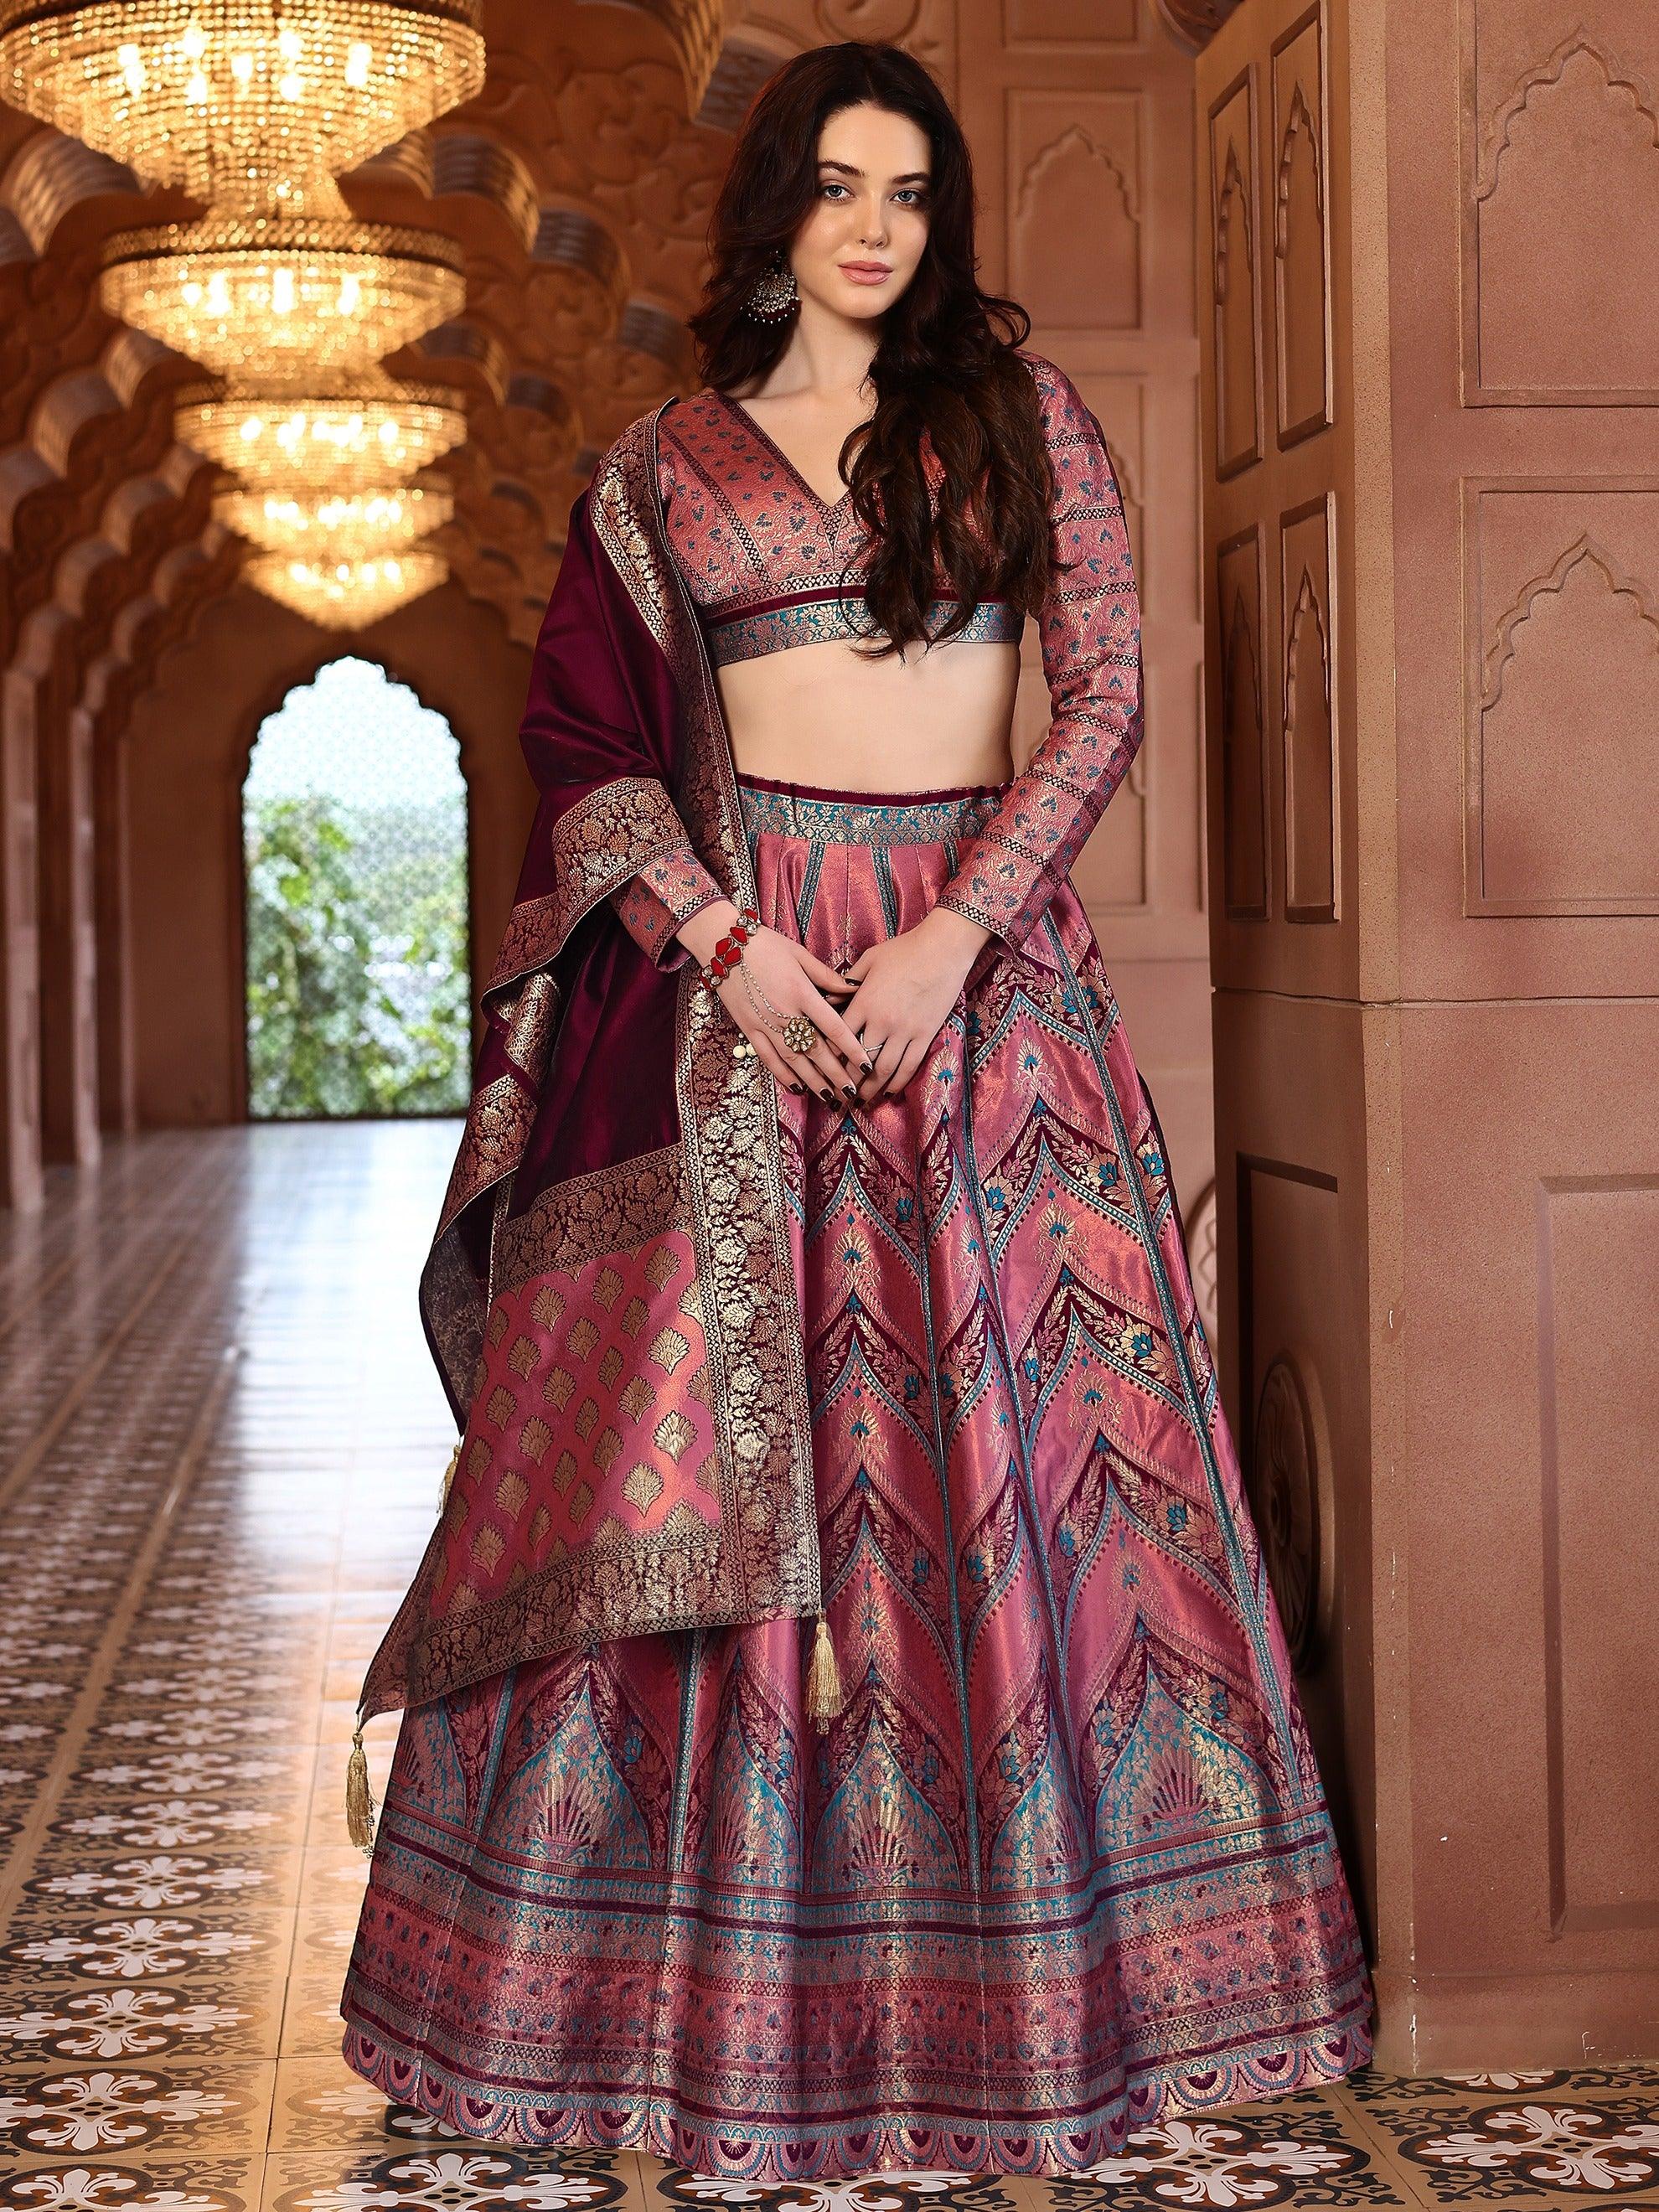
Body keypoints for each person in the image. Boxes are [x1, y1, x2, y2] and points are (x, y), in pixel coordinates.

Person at [337, 37, 1374, 2182]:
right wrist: (727, 945)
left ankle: (1069, 2001)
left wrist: (955, 930)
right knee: (738, 1478)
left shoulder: (1017, 421)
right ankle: (667, 2015)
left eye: (911, 189)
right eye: (838, 186)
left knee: (1018, 1470)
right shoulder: (659, 468)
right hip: (750, 1014)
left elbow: (1102, 699)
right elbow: (589, 745)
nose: (879, 225)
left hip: (979, 1007)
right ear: (776, 213)